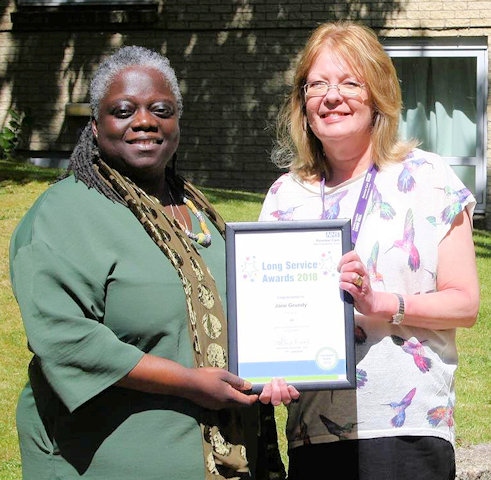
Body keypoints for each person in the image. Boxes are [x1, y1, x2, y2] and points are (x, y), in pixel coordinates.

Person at [9, 45, 297, 480]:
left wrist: (294, 352)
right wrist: (187, 381)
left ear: (177, 121)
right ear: (95, 124)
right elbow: (65, 339)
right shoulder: (66, 212)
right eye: (123, 110)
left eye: (160, 109)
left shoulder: (197, 211)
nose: (144, 121)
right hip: (104, 463)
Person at [258, 21, 480, 480]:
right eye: (317, 84)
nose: (331, 96)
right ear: (303, 102)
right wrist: (268, 368)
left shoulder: (429, 178)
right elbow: (265, 313)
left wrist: (383, 303)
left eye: (349, 82)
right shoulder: (285, 195)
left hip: (409, 427)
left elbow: (465, 303)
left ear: (377, 93)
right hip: (315, 432)